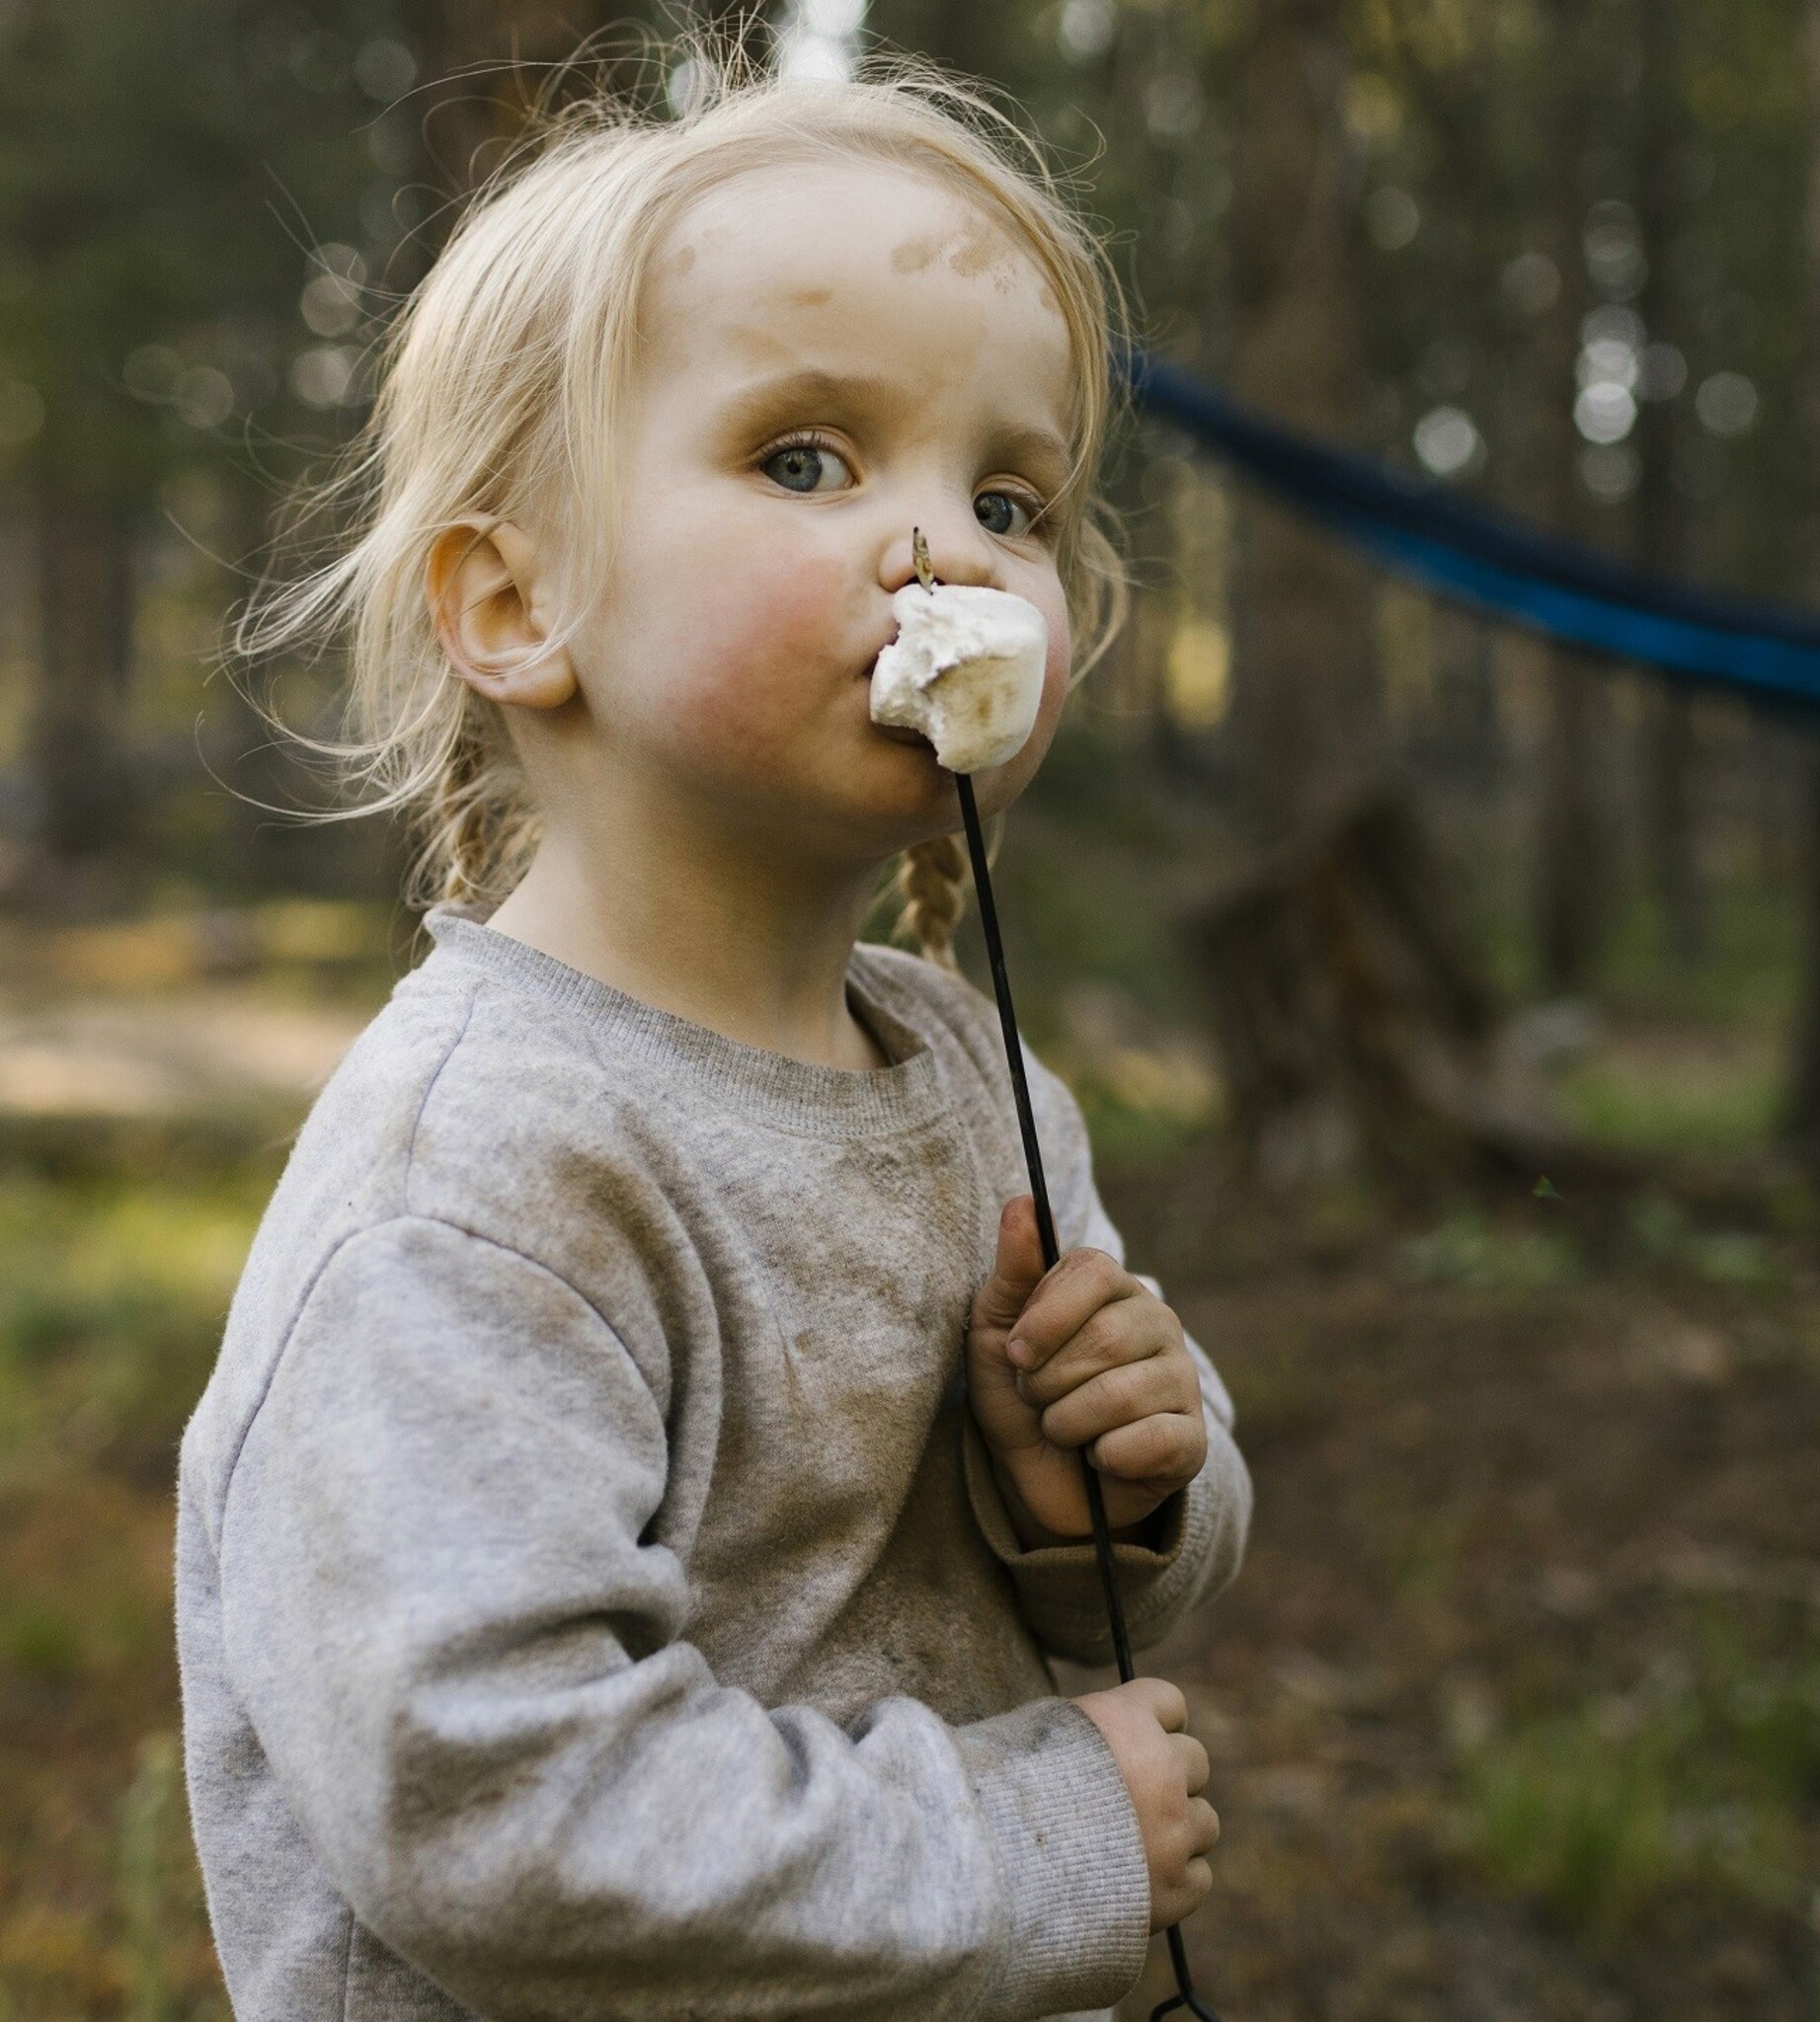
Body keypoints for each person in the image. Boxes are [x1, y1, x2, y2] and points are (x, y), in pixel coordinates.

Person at [176, 38, 1250, 2022]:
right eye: (807, 459)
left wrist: (1103, 1492)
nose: (945, 549)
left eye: (1012, 494)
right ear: (515, 603)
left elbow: (1111, 1592)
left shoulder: (978, 1084)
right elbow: (489, 1810)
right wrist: (1037, 1842)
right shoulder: (481, 1174)